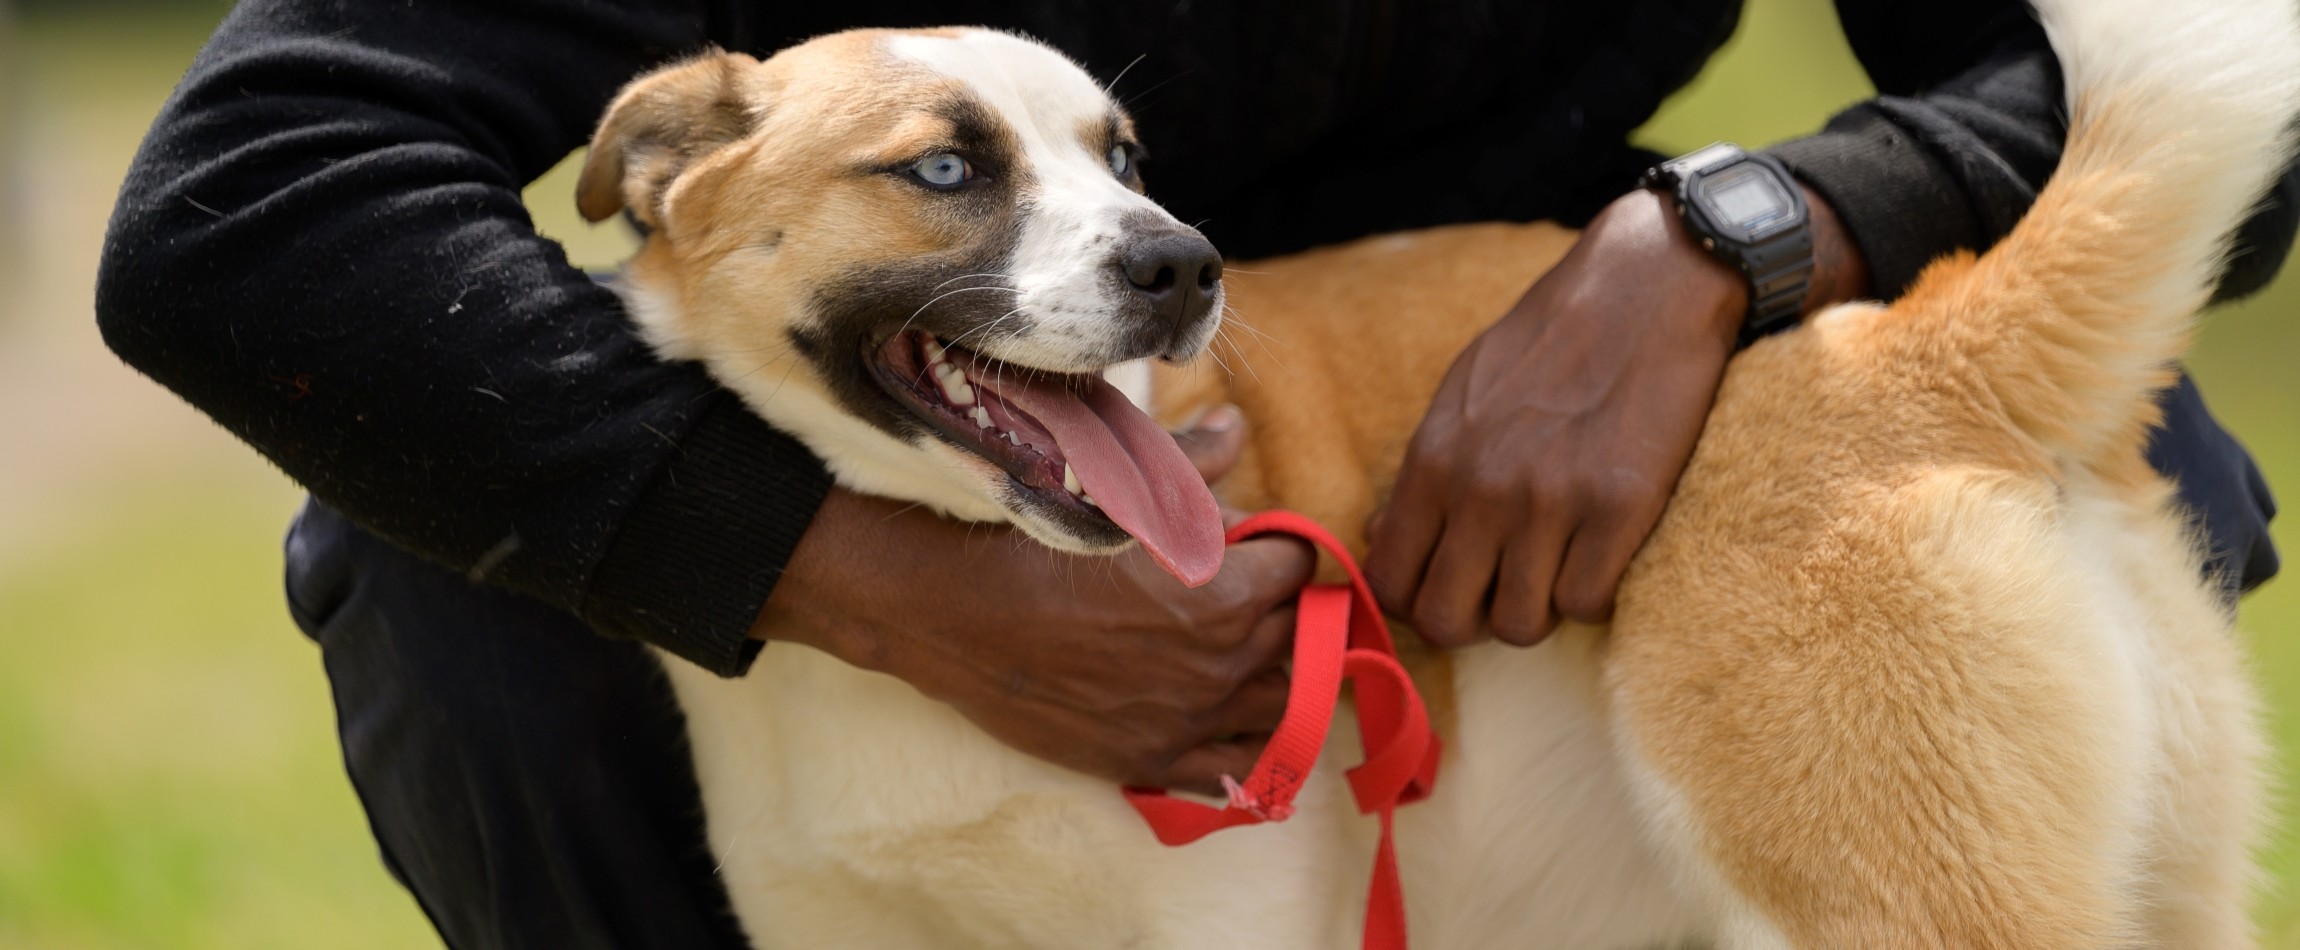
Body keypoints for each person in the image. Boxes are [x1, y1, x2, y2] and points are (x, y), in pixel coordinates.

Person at [98, 1, 2289, 946]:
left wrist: (1727, 238)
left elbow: (2169, 84)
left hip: (1560, 388)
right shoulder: (760, 147)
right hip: (914, 440)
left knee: (2095, 438)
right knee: (446, 551)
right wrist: (868, 579)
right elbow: (241, 206)